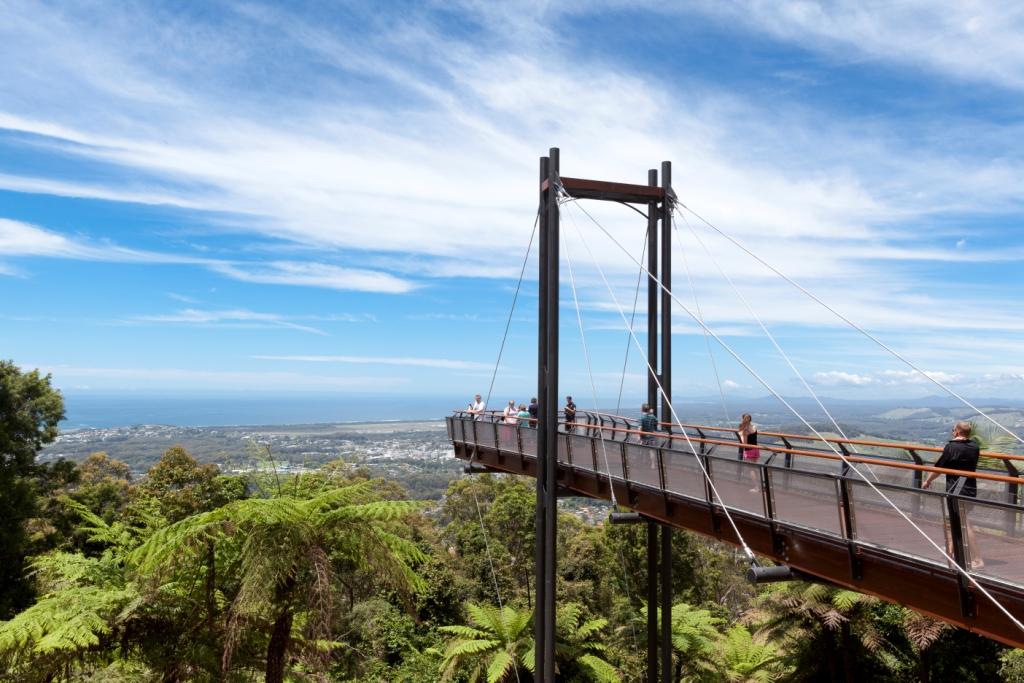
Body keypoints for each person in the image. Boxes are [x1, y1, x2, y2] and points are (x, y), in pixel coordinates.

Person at [923, 421, 983, 569]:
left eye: (953, 430)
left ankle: (977, 559)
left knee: (964, 523)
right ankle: (950, 553)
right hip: (970, 487)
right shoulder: (975, 447)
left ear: (956, 432)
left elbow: (939, 468)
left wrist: (927, 481)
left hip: (956, 488)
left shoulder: (951, 447)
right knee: (956, 521)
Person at [738, 413, 760, 492]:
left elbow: (744, 444)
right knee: (755, 468)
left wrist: (741, 433)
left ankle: (756, 487)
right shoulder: (754, 427)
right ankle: (759, 485)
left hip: (749, 451)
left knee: (751, 469)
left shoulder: (744, 430)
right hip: (756, 449)